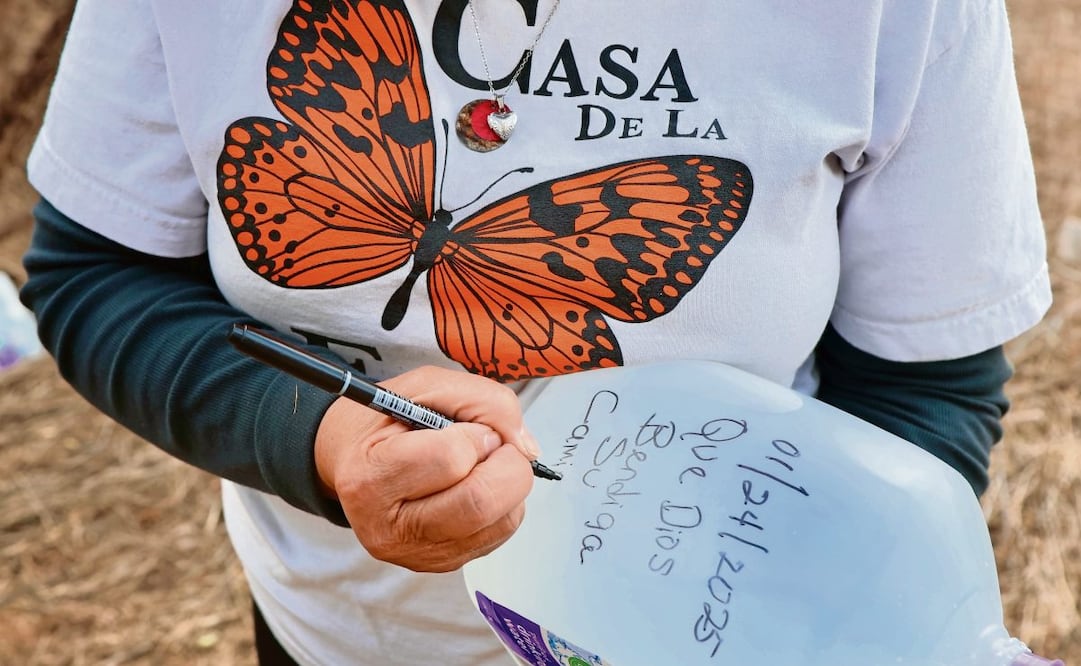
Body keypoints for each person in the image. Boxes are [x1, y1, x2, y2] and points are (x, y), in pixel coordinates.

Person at [21, 0, 1050, 664]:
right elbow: (97, 274)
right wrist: (319, 439)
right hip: (339, 634)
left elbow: (925, 389)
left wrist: (800, 621)